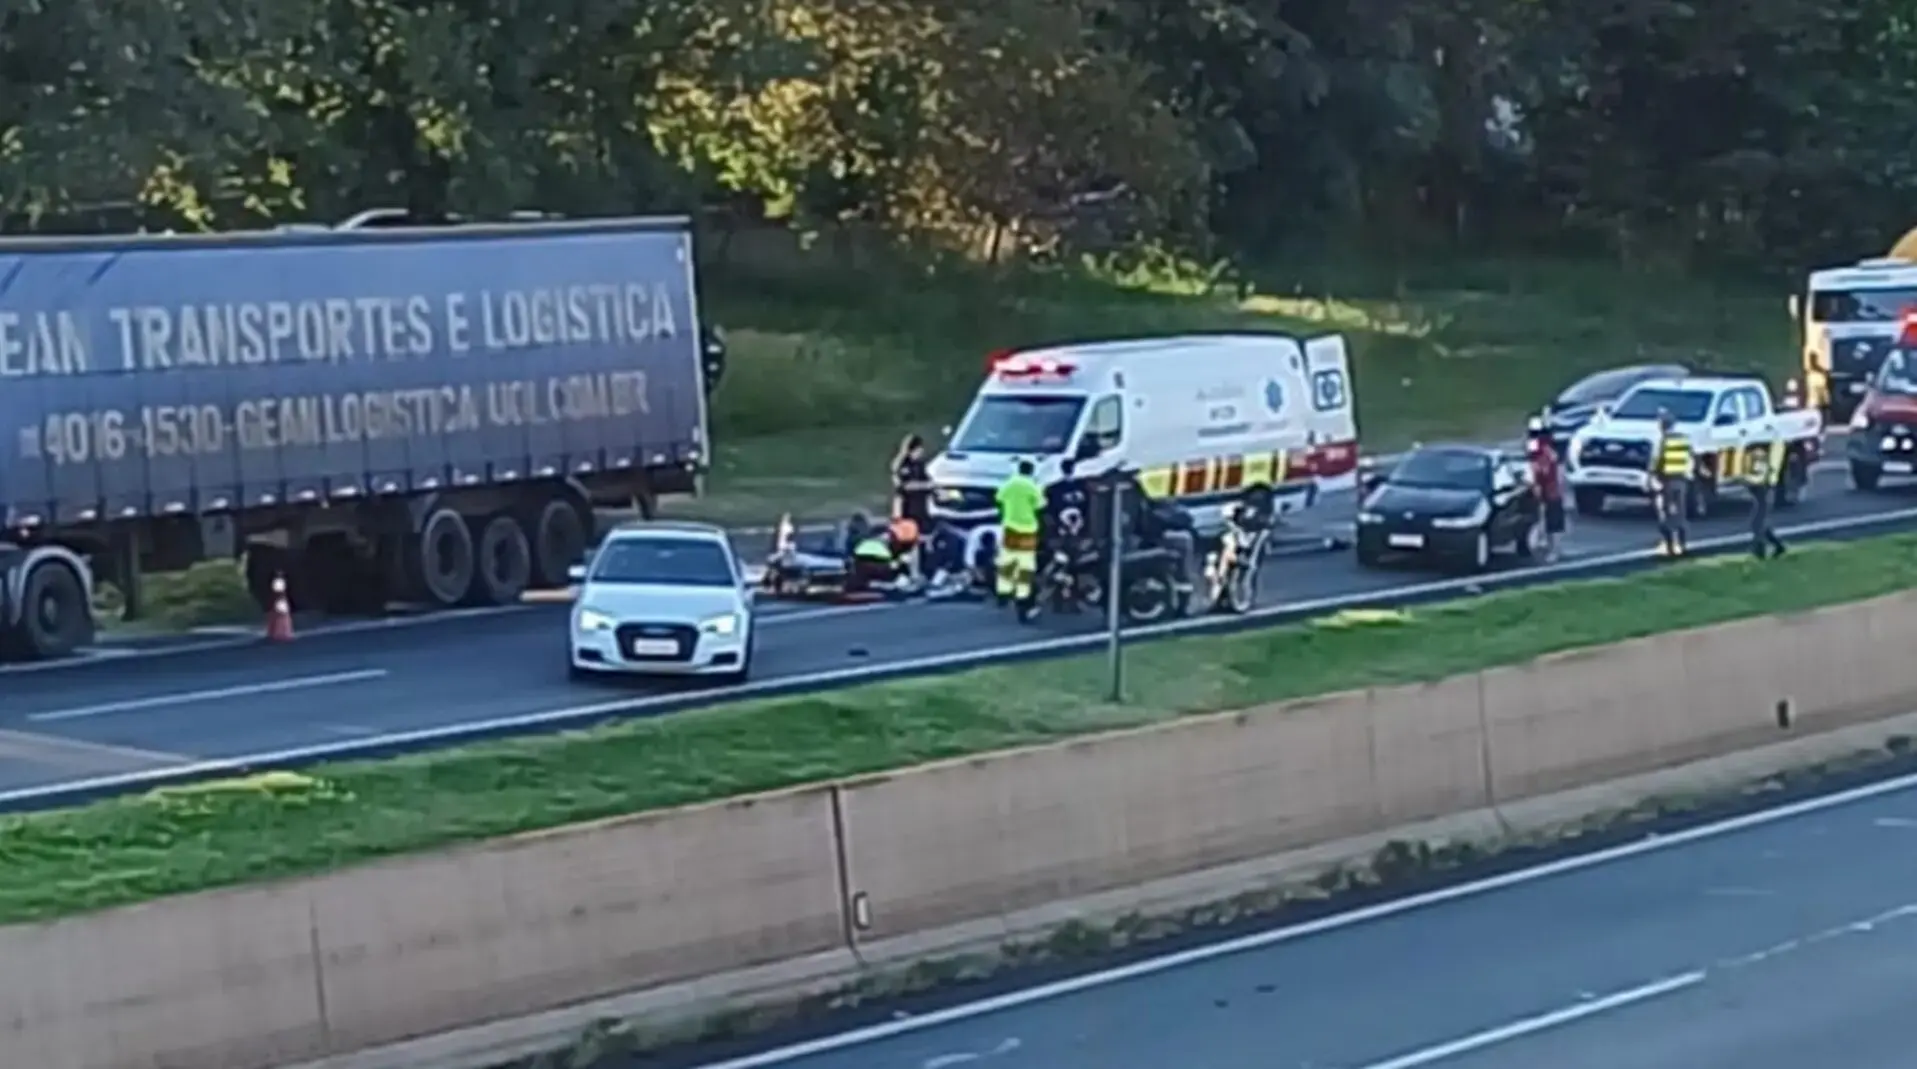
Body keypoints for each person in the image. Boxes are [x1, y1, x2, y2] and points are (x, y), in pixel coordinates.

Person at [994, 459, 1044, 612]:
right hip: (1028, 528)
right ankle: (1022, 594)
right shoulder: (1032, 486)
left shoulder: (1008, 484)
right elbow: (1040, 504)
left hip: (1010, 527)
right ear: (1031, 471)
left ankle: (1003, 592)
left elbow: (999, 499)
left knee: (1008, 560)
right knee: (1025, 563)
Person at [1651, 409, 1693, 557]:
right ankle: (1682, 545)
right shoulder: (1683, 439)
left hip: (1666, 481)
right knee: (1680, 514)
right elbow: (1692, 457)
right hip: (1681, 480)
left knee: (1665, 514)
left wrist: (1652, 476)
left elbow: (1658, 461)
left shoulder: (1664, 441)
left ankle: (1669, 547)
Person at [1743, 436, 1788, 559]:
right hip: (1763, 483)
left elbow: (1763, 468)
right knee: (1760, 520)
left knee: (1757, 521)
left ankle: (1759, 549)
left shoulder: (1765, 449)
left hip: (1763, 484)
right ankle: (1777, 545)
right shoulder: (1770, 446)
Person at [1527, 428, 1566, 562]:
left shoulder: (1543, 451)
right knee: (1549, 520)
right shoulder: (1546, 450)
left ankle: (1554, 548)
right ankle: (1550, 546)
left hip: (1551, 490)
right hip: (1550, 490)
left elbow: (1539, 468)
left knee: (1552, 521)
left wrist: (1536, 483)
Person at [891, 434, 933, 528]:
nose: (921, 451)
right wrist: (924, 486)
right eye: (919, 449)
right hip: (905, 508)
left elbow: (928, 480)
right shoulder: (901, 465)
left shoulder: (920, 464)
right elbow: (903, 486)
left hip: (920, 508)